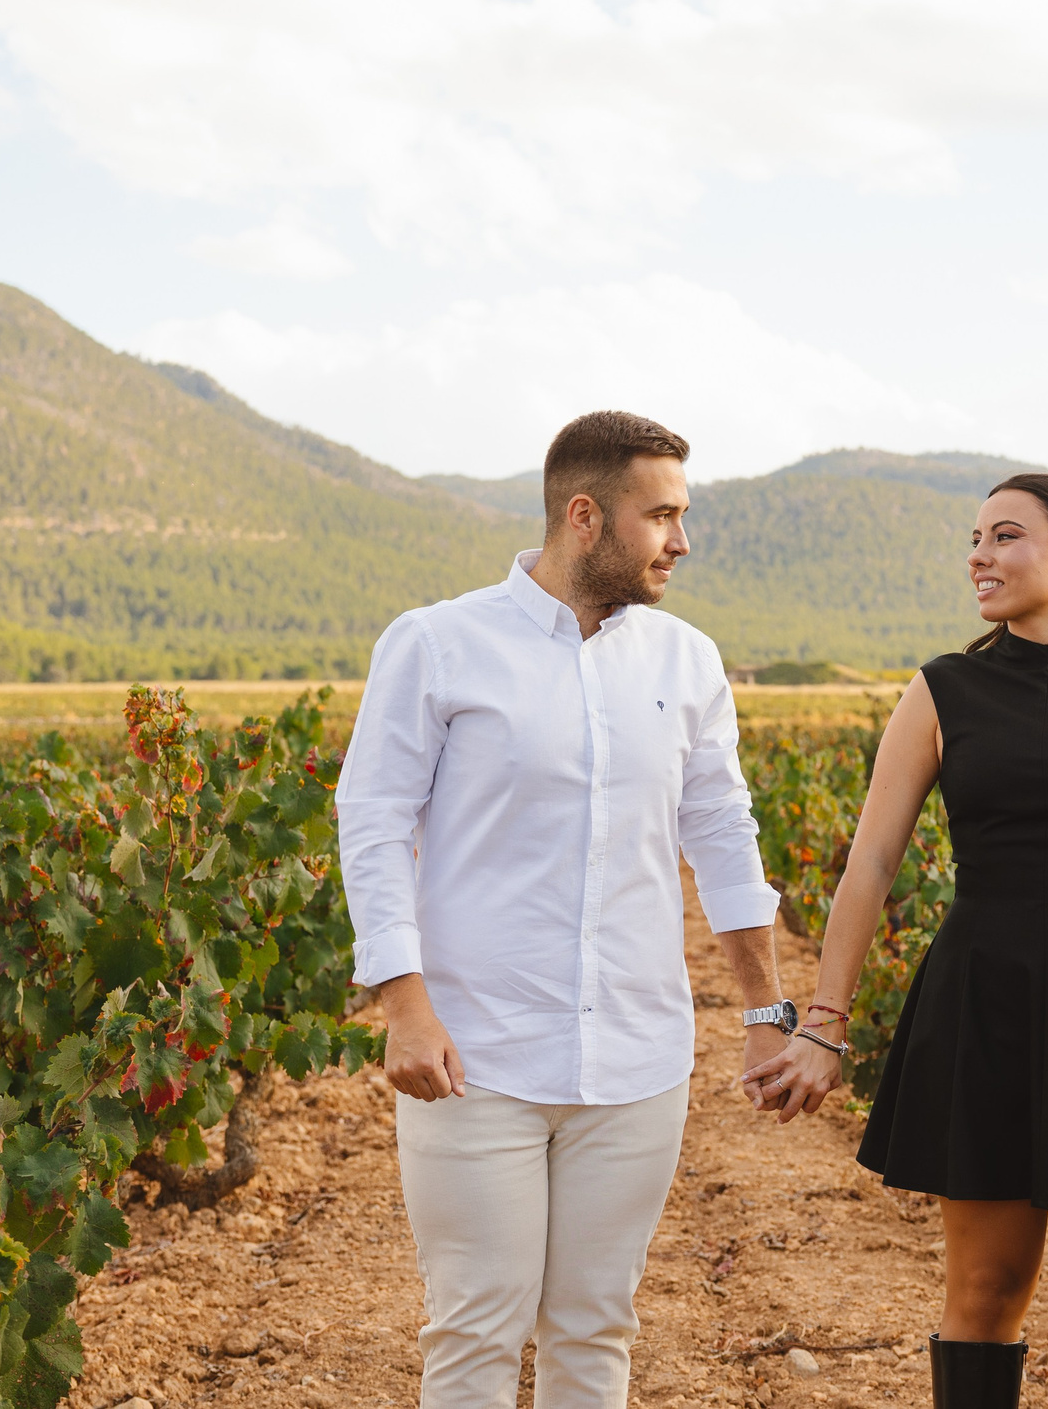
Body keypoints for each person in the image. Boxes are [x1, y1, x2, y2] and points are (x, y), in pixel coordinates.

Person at [742, 473, 1048, 1409]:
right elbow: (872, 864)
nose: (979, 554)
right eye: (974, 537)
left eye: (1005, 536)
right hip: (985, 1002)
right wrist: (823, 1020)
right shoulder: (943, 690)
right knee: (982, 1292)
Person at [336, 410, 797, 1409]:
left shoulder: (686, 660)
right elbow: (372, 822)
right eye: (662, 515)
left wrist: (765, 1011)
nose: (682, 540)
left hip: (637, 1057)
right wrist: (403, 1003)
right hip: (477, 1054)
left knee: (595, 1326)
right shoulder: (436, 643)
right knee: (475, 1327)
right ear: (585, 515)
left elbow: (720, 828)